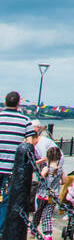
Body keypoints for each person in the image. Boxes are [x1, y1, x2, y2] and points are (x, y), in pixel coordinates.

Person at [0, 91, 33, 232]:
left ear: (5, 102)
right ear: (19, 103)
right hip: (12, 169)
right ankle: (1, 229)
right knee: (6, 200)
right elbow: (29, 144)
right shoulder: (25, 121)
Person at [34, 146, 64, 240]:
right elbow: (64, 181)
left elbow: (40, 179)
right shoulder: (60, 170)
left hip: (42, 195)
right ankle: (48, 234)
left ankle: (34, 227)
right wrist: (56, 183)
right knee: (47, 214)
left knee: (38, 212)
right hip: (54, 196)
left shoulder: (46, 168)